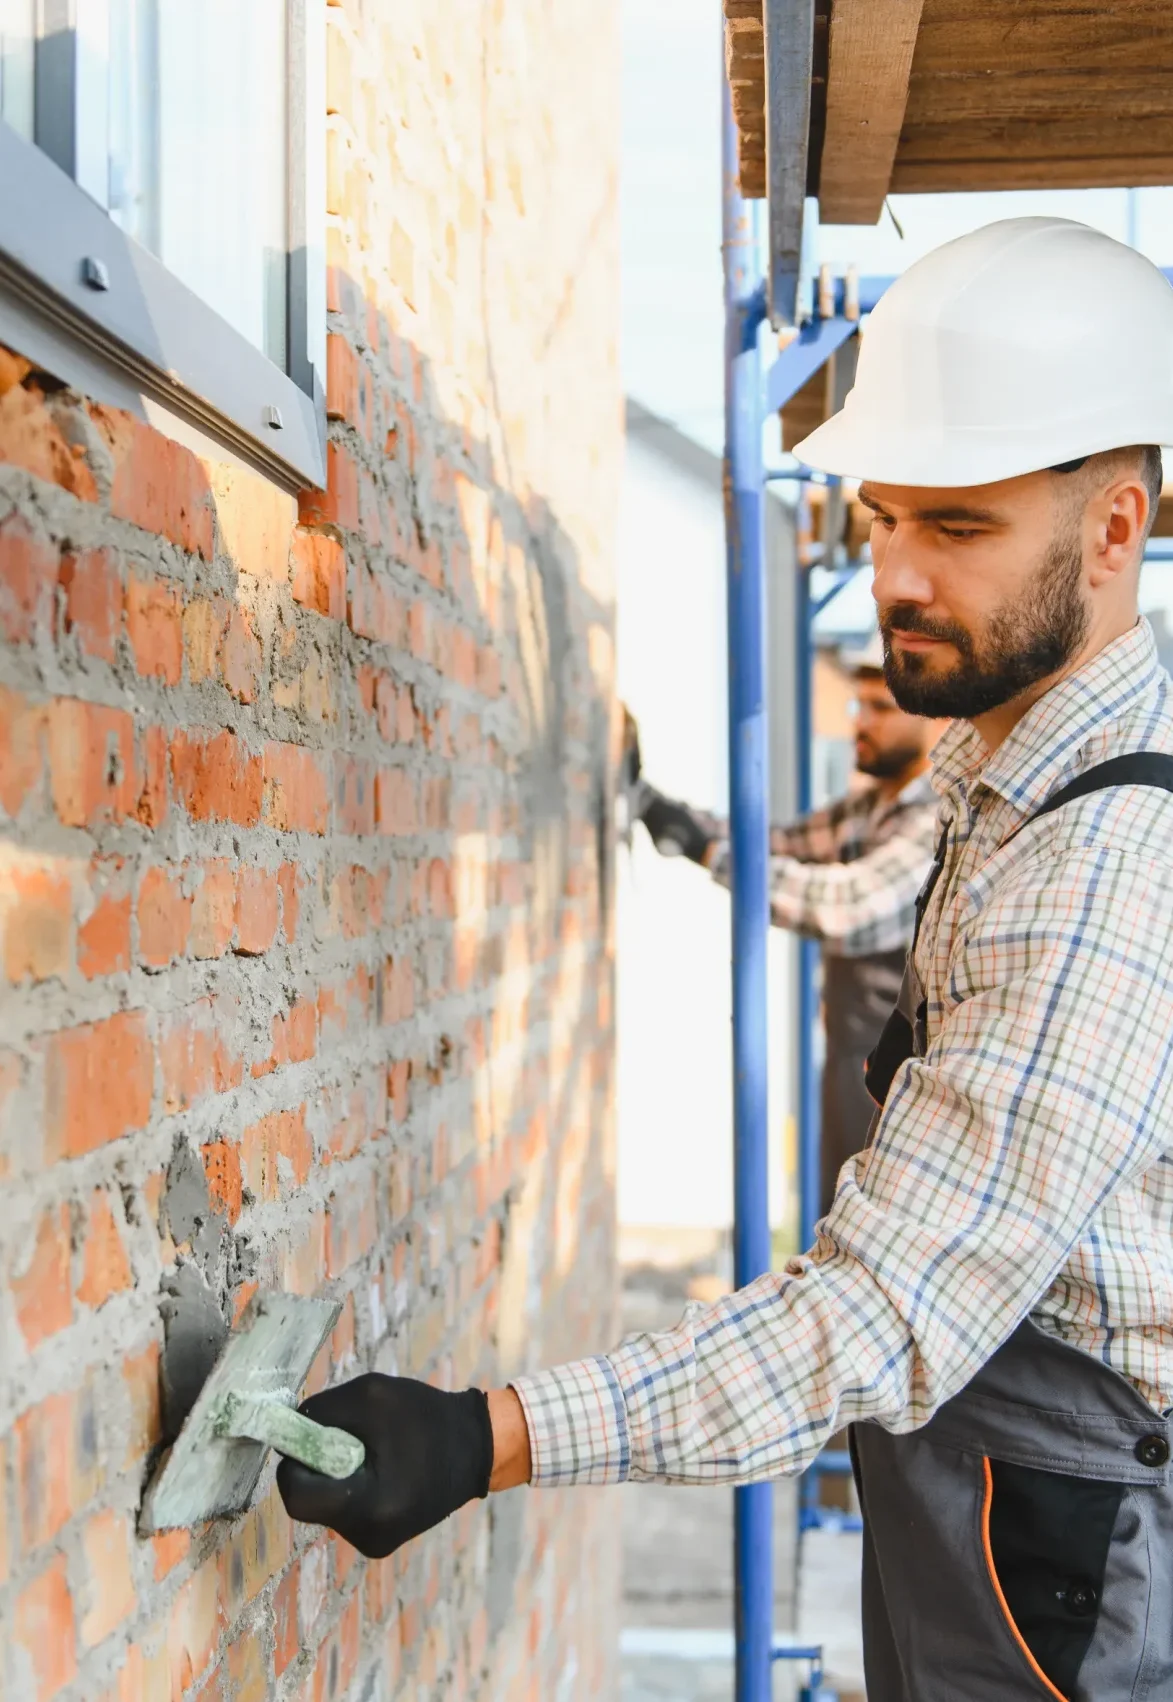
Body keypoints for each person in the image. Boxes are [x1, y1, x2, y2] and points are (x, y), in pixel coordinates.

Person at [279, 219, 1173, 1700]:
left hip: (1064, 1561)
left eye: (955, 529)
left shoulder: (1106, 869)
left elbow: (877, 1313)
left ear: (1111, 530)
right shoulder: (988, 775)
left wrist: (484, 1434)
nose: (894, 575)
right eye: (884, 516)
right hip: (982, 1491)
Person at [632, 638, 943, 1216]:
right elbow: (776, 843)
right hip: (854, 1054)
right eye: (859, 706)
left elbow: (845, 904)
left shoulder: (930, 819)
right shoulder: (870, 807)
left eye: (879, 708)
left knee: (866, 1228)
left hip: (901, 1075)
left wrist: (703, 850)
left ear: (930, 721)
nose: (860, 723)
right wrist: (661, 809)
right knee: (836, 1213)